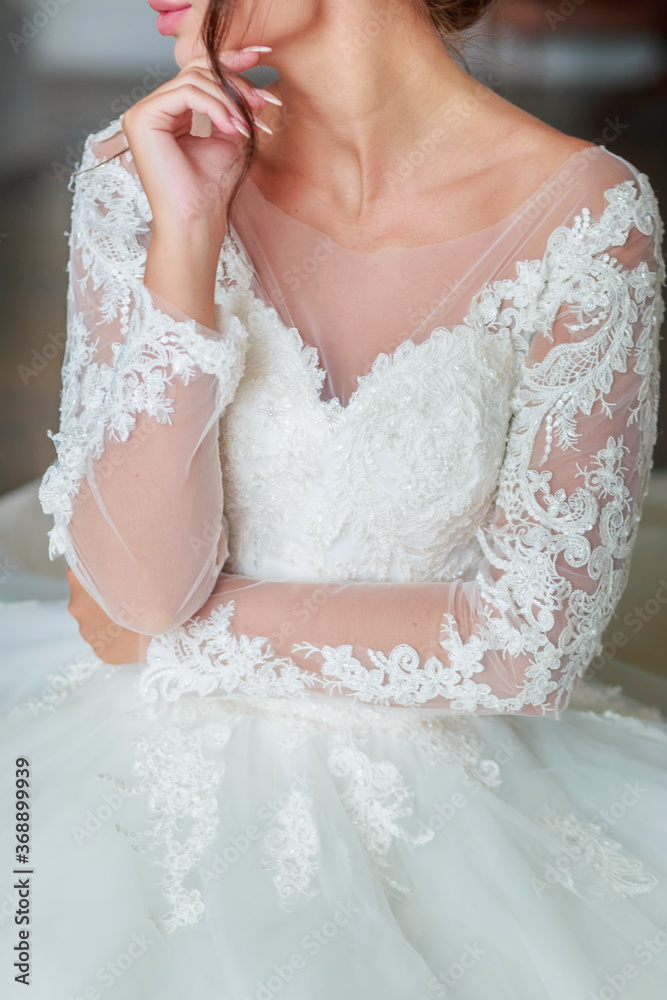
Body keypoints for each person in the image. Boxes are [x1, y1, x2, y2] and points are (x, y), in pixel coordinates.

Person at [1, 0, 666, 997]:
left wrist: (180, 634)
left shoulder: (589, 218)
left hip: (462, 811)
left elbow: (528, 644)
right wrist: (185, 238)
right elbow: (137, 591)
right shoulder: (140, 173)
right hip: (117, 777)